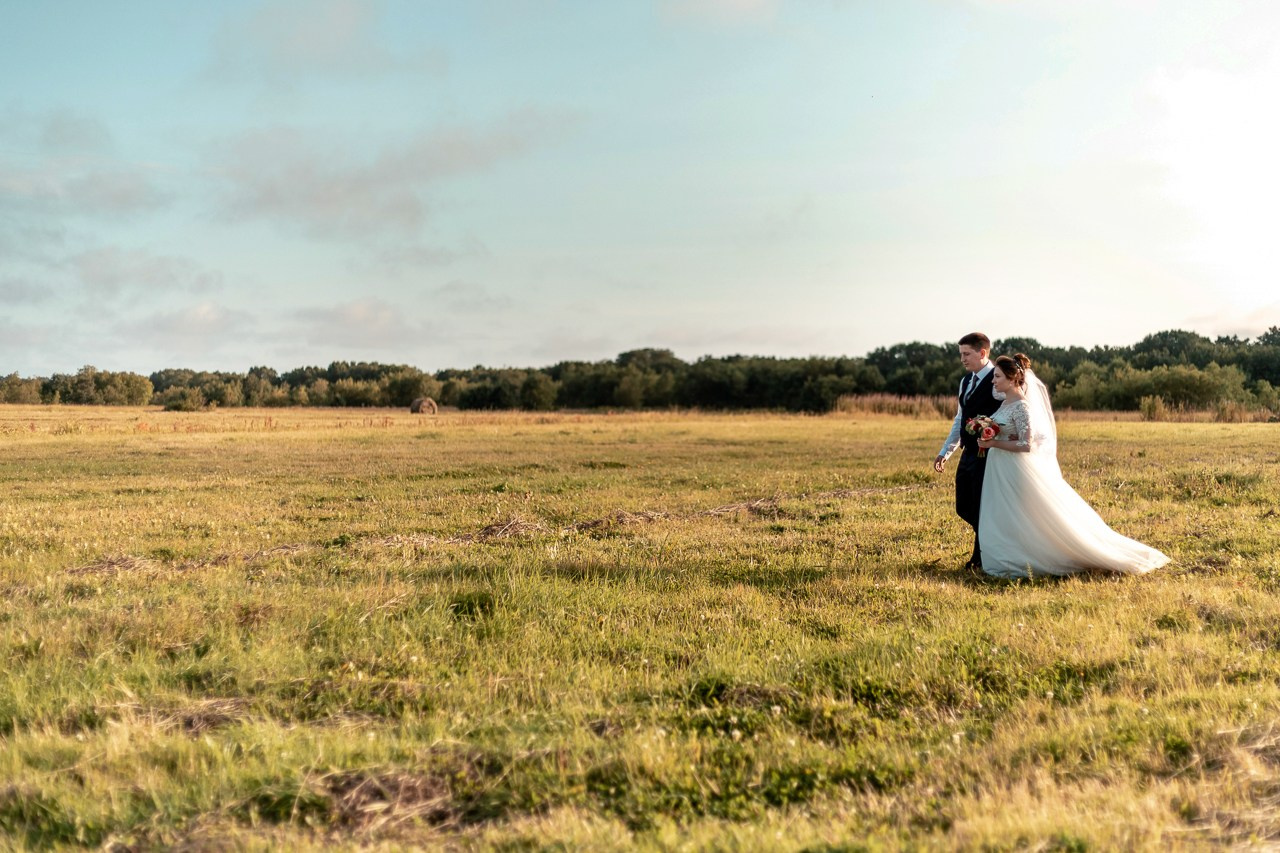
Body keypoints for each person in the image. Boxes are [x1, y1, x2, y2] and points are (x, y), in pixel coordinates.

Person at [975, 353, 1169, 578]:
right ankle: (1007, 557)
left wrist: (993, 442)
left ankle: (1032, 558)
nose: (993, 380)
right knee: (1003, 514)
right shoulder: (1005, 401)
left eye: (997, 376)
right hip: (999, 467)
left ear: (1011, 379)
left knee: (1024, 514)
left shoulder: (1022, 406)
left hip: (1015, 468)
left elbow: (1026, 444)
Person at [933, 332, 1003, 571]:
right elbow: (960, 419)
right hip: (969, 451)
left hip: (991, 453)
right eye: (960, 354)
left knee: (982, 504)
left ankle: (980, 557)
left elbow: (1014, 409)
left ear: (983, 353)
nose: (962, 359)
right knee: (963, 505)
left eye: (967, 354)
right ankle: (992, 541)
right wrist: (946, 451)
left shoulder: (998, 379)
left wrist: (995, 432)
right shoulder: (965, 381)